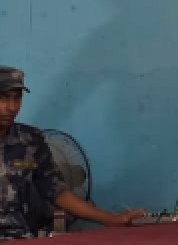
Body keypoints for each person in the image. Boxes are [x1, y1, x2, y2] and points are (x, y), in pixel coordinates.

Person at [0, 67, 146, 238]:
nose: (12, 107)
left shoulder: (30, 141)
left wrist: (111, 219)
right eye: (3, 98)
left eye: (17, 98)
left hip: (18, 237)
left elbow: (56, 192)